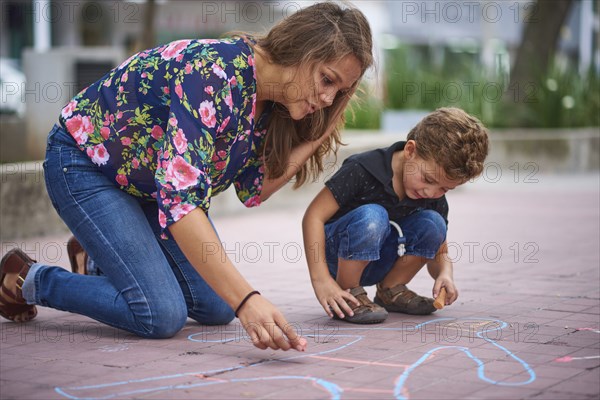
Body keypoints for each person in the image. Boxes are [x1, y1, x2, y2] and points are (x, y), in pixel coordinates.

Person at [0, 2, 373, 351]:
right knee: (160, 314)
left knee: (216, 307)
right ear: (301, 50)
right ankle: (25, 278)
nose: (328, 98)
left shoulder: (269, 103)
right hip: (84, 164)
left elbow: (254, 189)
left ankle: (99, 255)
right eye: (327, 80)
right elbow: (180, 204)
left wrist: (320, 132)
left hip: (146, 189)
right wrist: (248, 299)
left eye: (338, 91)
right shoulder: (213, 72)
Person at [302, 107, 489, 324]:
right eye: (428, 179)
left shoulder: (432, 194)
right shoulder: (363, 169)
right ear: (410, 150)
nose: (431, 193)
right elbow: (313, 216)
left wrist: (445, 274)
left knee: (435, 224)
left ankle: (391, 291)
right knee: (374, 216)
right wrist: (321, 280)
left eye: (445, 189)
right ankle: (348, 293)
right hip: (338, 256)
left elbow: (440, 250)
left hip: (381, 258)